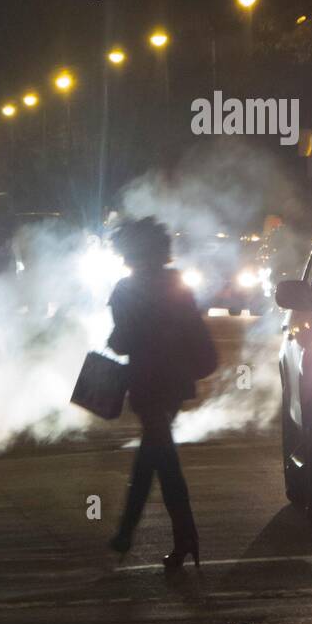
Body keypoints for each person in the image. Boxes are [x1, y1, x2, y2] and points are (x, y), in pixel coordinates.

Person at [107, 217, 217, 571]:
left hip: (146, 382)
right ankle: (176, 538)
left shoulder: (126, 289)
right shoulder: (177, 285)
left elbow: (121, 342)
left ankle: (143, 533)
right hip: (173, 382)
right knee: (155, 456)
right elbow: (194, 331)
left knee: (159, 460)